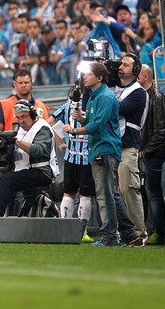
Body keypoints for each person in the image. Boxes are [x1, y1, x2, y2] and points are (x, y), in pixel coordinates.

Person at [64, 63, 140, 247]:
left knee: (104, 195)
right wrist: (82, 118)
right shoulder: (93, 96)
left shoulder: (105, 97)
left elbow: (97, 125)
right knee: (111, 194)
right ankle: (129, 233)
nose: (84, 77)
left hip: (104, 149)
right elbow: (94, 120)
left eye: (88, 74)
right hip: (99, 149)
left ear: (99, 78)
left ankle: (109, 237)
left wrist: (75, 131)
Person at [0, 100, 56, 216]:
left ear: (32, 115)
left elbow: (40, 151)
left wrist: (16, 141)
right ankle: (4, 217)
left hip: (41, 171)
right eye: (18, 118)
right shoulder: (20, 130)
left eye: (24, 117)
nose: (21, 121)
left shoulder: (42, 127)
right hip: (23, 170)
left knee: (7, 180)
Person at [49, 86, 96, 243]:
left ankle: (65, 232)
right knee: (85, 195)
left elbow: (49, 122)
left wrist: (61, 142)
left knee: (68, 193)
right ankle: (82, 233)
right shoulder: (93, 105)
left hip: (70, 156)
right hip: (87, 156)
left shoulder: (67, 105)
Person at [112, 53, 149, 243]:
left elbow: (118, 108)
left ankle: (139, 232)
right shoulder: (113, 87)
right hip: (111, 145)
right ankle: (119, 232)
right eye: (120, 64)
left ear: (135, 71)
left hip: (127, 145)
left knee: (128, 188)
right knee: (113, 191)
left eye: (126, 65)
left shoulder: (138, 92)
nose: (120, 67)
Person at [137, 64, 165, 245]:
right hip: (145, 153)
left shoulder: (156, 97)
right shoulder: (145, 96)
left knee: (153, 192)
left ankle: (158, 232)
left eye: (138, 74)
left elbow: (161, 130)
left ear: (145, 76)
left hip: (152, 155)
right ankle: (147, 230)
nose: (135, 77)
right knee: (145, 192)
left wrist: (146, 150)